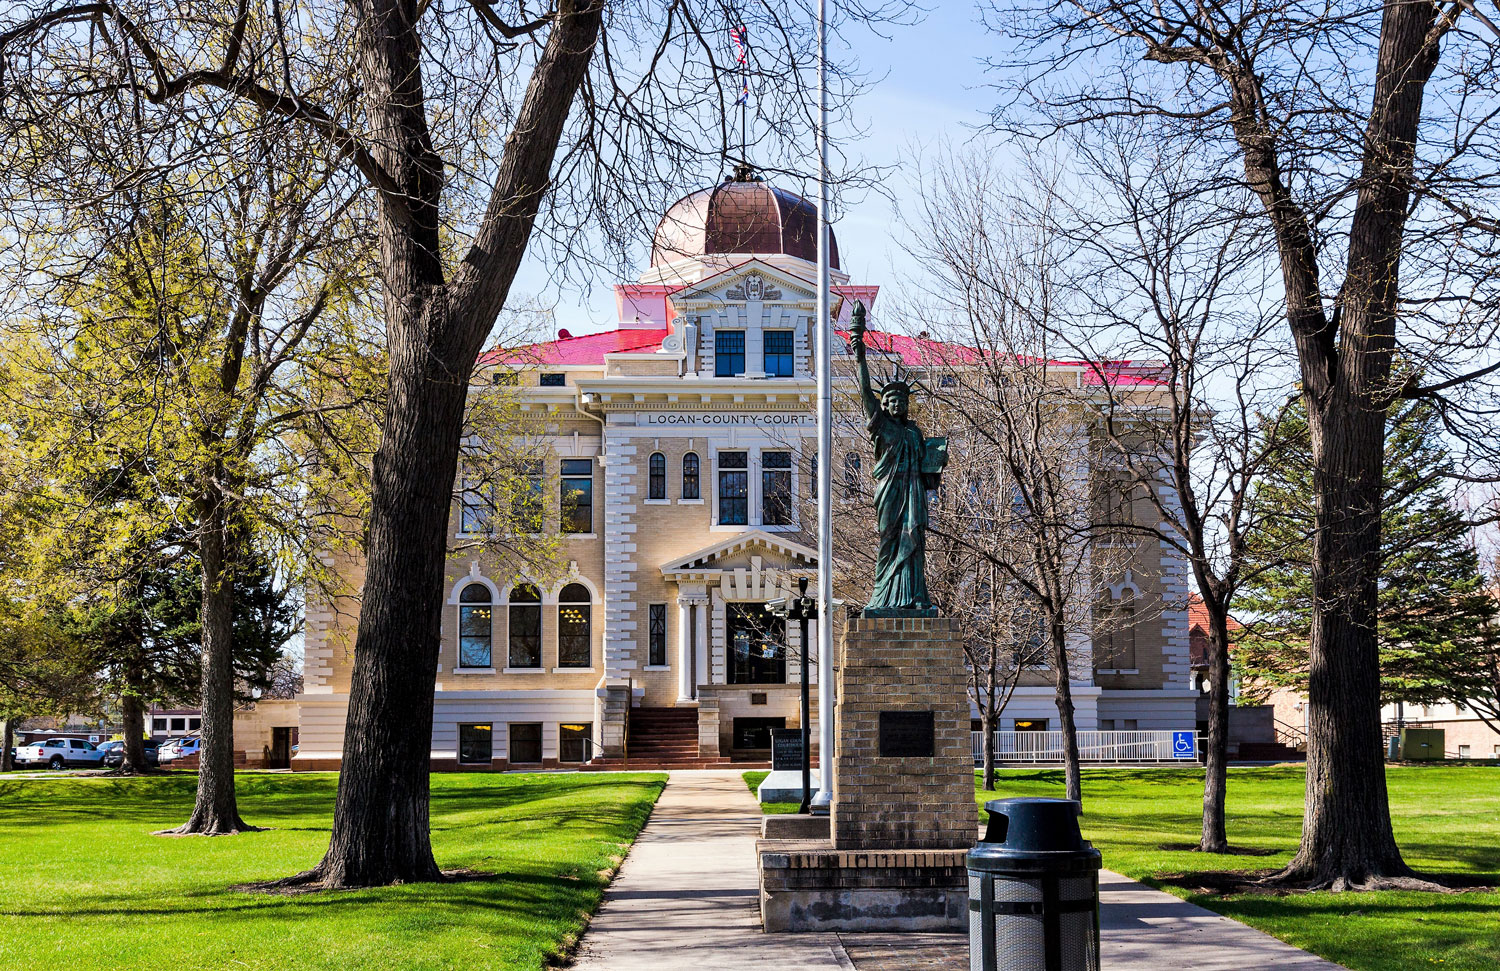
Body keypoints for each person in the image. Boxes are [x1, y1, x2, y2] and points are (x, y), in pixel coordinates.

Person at [849, 301, 941, 614]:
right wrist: (858, 345)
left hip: (913, 490)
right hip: (889, 489)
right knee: (888, 541)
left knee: (915, 543)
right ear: (884, 406)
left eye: (902, 398)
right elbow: (864, 390)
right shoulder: (882, 425)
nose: (897, 403)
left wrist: (935, 463)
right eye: (891, 399)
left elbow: (929, 472)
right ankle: (882, 598)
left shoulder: (915, 433)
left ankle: (915, 598)